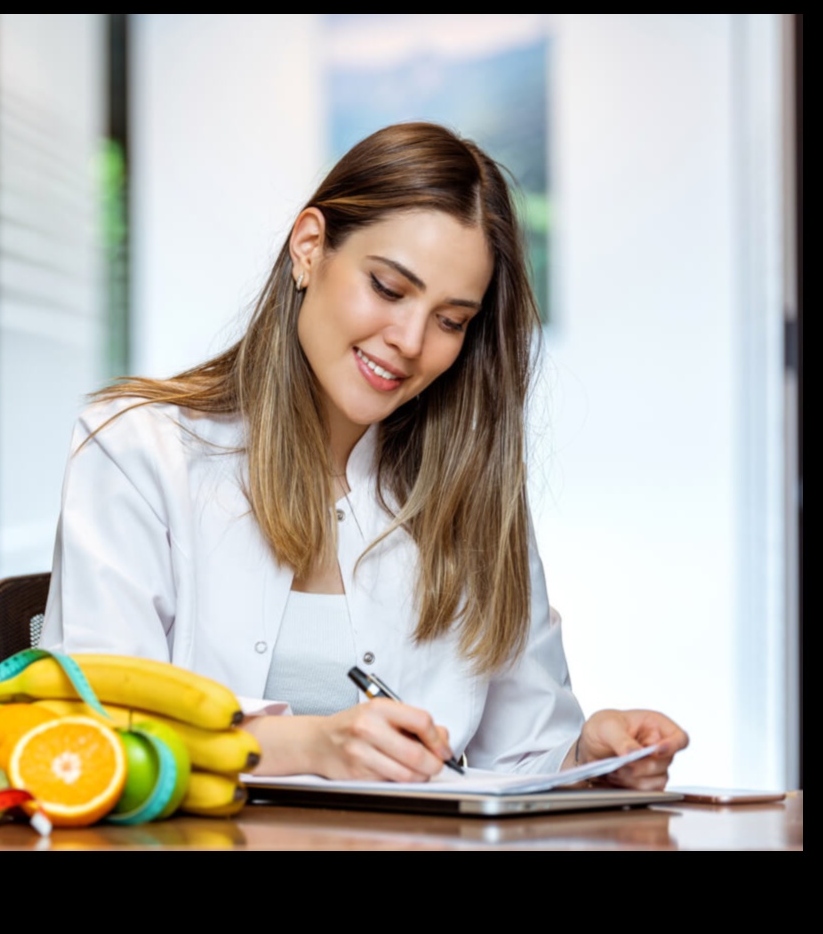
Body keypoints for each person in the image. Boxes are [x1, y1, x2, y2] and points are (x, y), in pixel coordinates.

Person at [39, 122, 687, 788]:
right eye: (388, 288)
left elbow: (520, 754)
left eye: (451, 320)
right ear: (310, 248)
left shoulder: (471, 488)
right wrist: (309, 746)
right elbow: (95, 726)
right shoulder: (136, 450)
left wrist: (587, 760)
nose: (409, 340)